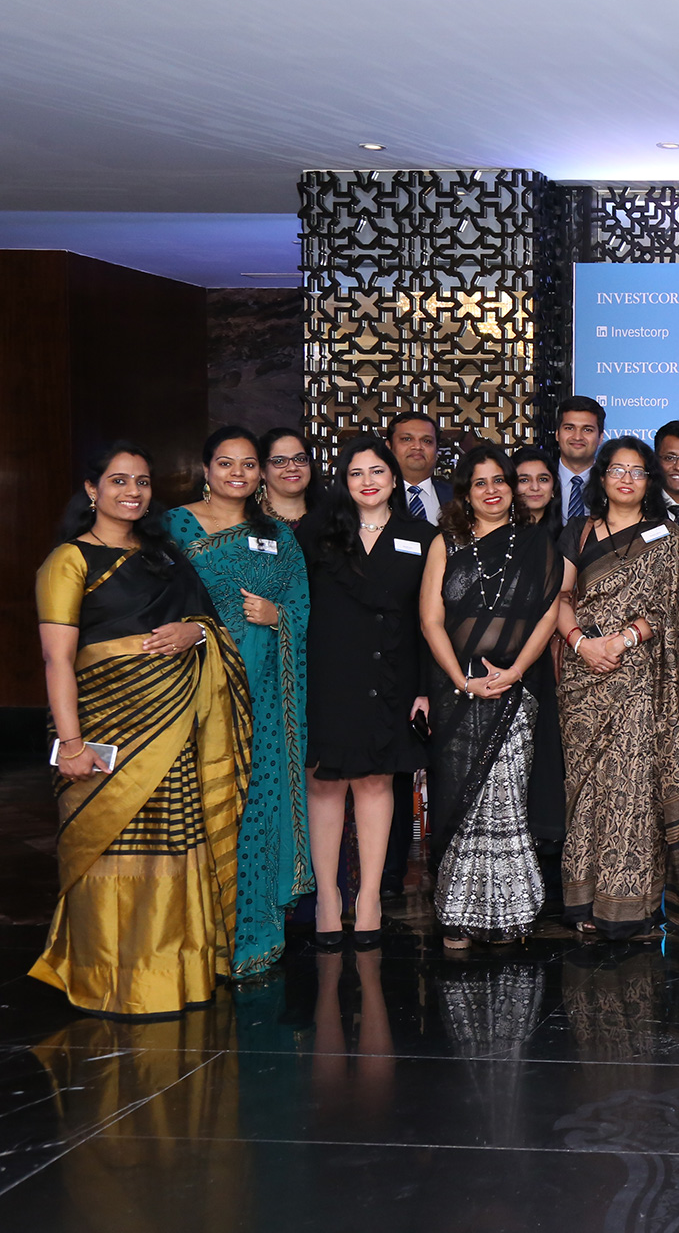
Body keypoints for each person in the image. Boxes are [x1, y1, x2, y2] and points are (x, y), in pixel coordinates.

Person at [34, 442, 250, 1018]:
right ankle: (107, 976)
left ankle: (174, 973)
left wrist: (194, 633)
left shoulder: (165, 556)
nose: (133, 492)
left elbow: (209, 623)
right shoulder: (69, 560)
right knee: (109, 847)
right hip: (104, 731)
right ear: (92, 489)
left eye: (143, 482)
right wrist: (71, 744)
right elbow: (58, 659)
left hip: (173, 727)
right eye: (119, 480)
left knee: (172, 841)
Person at [167, 425, 311, 977]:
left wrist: (279, 617)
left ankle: (250, 932)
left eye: (249, 465)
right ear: (206, 469)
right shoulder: (173, 527)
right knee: (198, 800)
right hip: (194, 686)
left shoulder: (277, 535)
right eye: (226, 463)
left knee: (256, 799)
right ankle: (193, 937)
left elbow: (302, 607)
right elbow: (155, 599)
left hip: (264, 692)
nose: (238, 474)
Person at [420, 442, 562, 950]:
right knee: (460, 799)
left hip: (514, 689)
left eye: (500, 480)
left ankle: (508, 913)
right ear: (465, 493)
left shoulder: (537, 541)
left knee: (504, 803)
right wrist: (462, 681)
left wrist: (516, 670)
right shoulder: (446, 543)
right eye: (480, 483)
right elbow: (430, 620)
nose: (492, 490)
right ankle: (457, 914)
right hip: (457, 692)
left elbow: (549, 612)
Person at [556, 437, 679, 937]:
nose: (626, 479)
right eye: (617, 469)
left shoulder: (667, 538)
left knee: (631, 790)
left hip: (640, 677)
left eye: (637, 472)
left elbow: (673, 609)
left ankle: (627, 906)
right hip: (583, 679)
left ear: (650, 482)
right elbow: (562, 596)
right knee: (586, 790)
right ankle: (582, 902)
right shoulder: (578, 531)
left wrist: (623, 639)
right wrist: (581, 644)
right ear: (601, 477)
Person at [298, 435, 436, 949]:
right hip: (329, 674)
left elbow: (430, 620)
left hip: (392, 676)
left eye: (377, 471)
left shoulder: (422, 535)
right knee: (325, 785)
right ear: (343, 481)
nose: (368, 481)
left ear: (394, 478)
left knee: (377, 784)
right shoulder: (317, 532)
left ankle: (371, 897)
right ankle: (328, 898)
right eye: (356, 473)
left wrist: (424, 689)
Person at [509, 443, 568, 874]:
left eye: (543, 479)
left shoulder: (566, 535)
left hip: (555, 660)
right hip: (503, 660)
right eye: (523, 479)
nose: (533, 487)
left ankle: (546, 854)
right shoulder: (495, 536)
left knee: (548, 756)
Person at [389, 411, 451, 525]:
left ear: (437, 450)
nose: (417, 447)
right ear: (389, 447)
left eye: (426, 441)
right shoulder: (375, 495)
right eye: (407, 439)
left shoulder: (457, 497)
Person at [259, 426, 323, 531]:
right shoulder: (246, 520)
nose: (292, 468)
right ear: (262, 471)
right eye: (279, 461)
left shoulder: (334, 517)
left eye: (300, 459)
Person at [555, 396, 606, 523]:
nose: (577, 437)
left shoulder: (611, 483)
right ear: (557, 434)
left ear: (600, 437)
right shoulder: (541, 481)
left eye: (587, 430)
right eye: (569, 428)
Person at [512, 446, 565, 541]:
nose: (535, 487)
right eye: (524, 480)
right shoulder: (501, 535)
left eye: (543, 479)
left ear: (553, 488)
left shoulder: (567, 537)